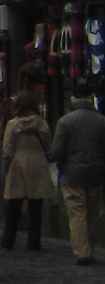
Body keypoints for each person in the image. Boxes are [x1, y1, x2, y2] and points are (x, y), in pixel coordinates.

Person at [51, 86, 105, 265]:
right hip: (96, 173)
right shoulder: (101, 121)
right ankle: (90, 246)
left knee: (77, 213)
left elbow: (58, 150)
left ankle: (82, 251)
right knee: (93, 213)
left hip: (72, 174)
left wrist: (57, 161)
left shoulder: (65, 121)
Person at [0, 93, 55, 252]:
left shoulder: (12, 125)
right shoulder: (41, 123)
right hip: (37, 163)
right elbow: (48, 146)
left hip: (18, 164)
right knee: (36, 206)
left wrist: (6, 166)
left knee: (14, 206)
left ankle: (8, 240)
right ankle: (34, 242)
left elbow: (8, 149)